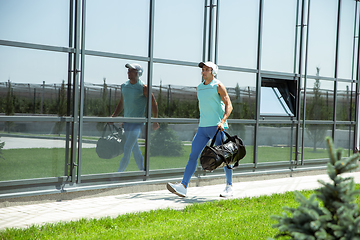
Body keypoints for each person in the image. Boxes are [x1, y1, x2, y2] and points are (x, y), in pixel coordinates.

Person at [167, 61, 234, 198]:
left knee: (225, 157)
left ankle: (229, 186)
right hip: (203, 128)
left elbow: (229, 105)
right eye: (202, 69)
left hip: (217, 128)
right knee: (193, 156)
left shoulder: (218, 86)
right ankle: (183, 186)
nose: (203, 72)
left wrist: (222, 122)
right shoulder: (199, 87)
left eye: (207, 69)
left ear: (213, 72)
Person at [111, 63, 159, 172]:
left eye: (132, 70)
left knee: (127, 148)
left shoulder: (143, 88)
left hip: (137, 124)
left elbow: (153, 103)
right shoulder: (124, 86)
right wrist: (114, 116)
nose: (128, 72)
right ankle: (142, 171)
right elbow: (122, 103)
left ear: (138, 73)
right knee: (135, 149)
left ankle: (117, 175)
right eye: (128, 70)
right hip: (126, 123)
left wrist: (155, 120)